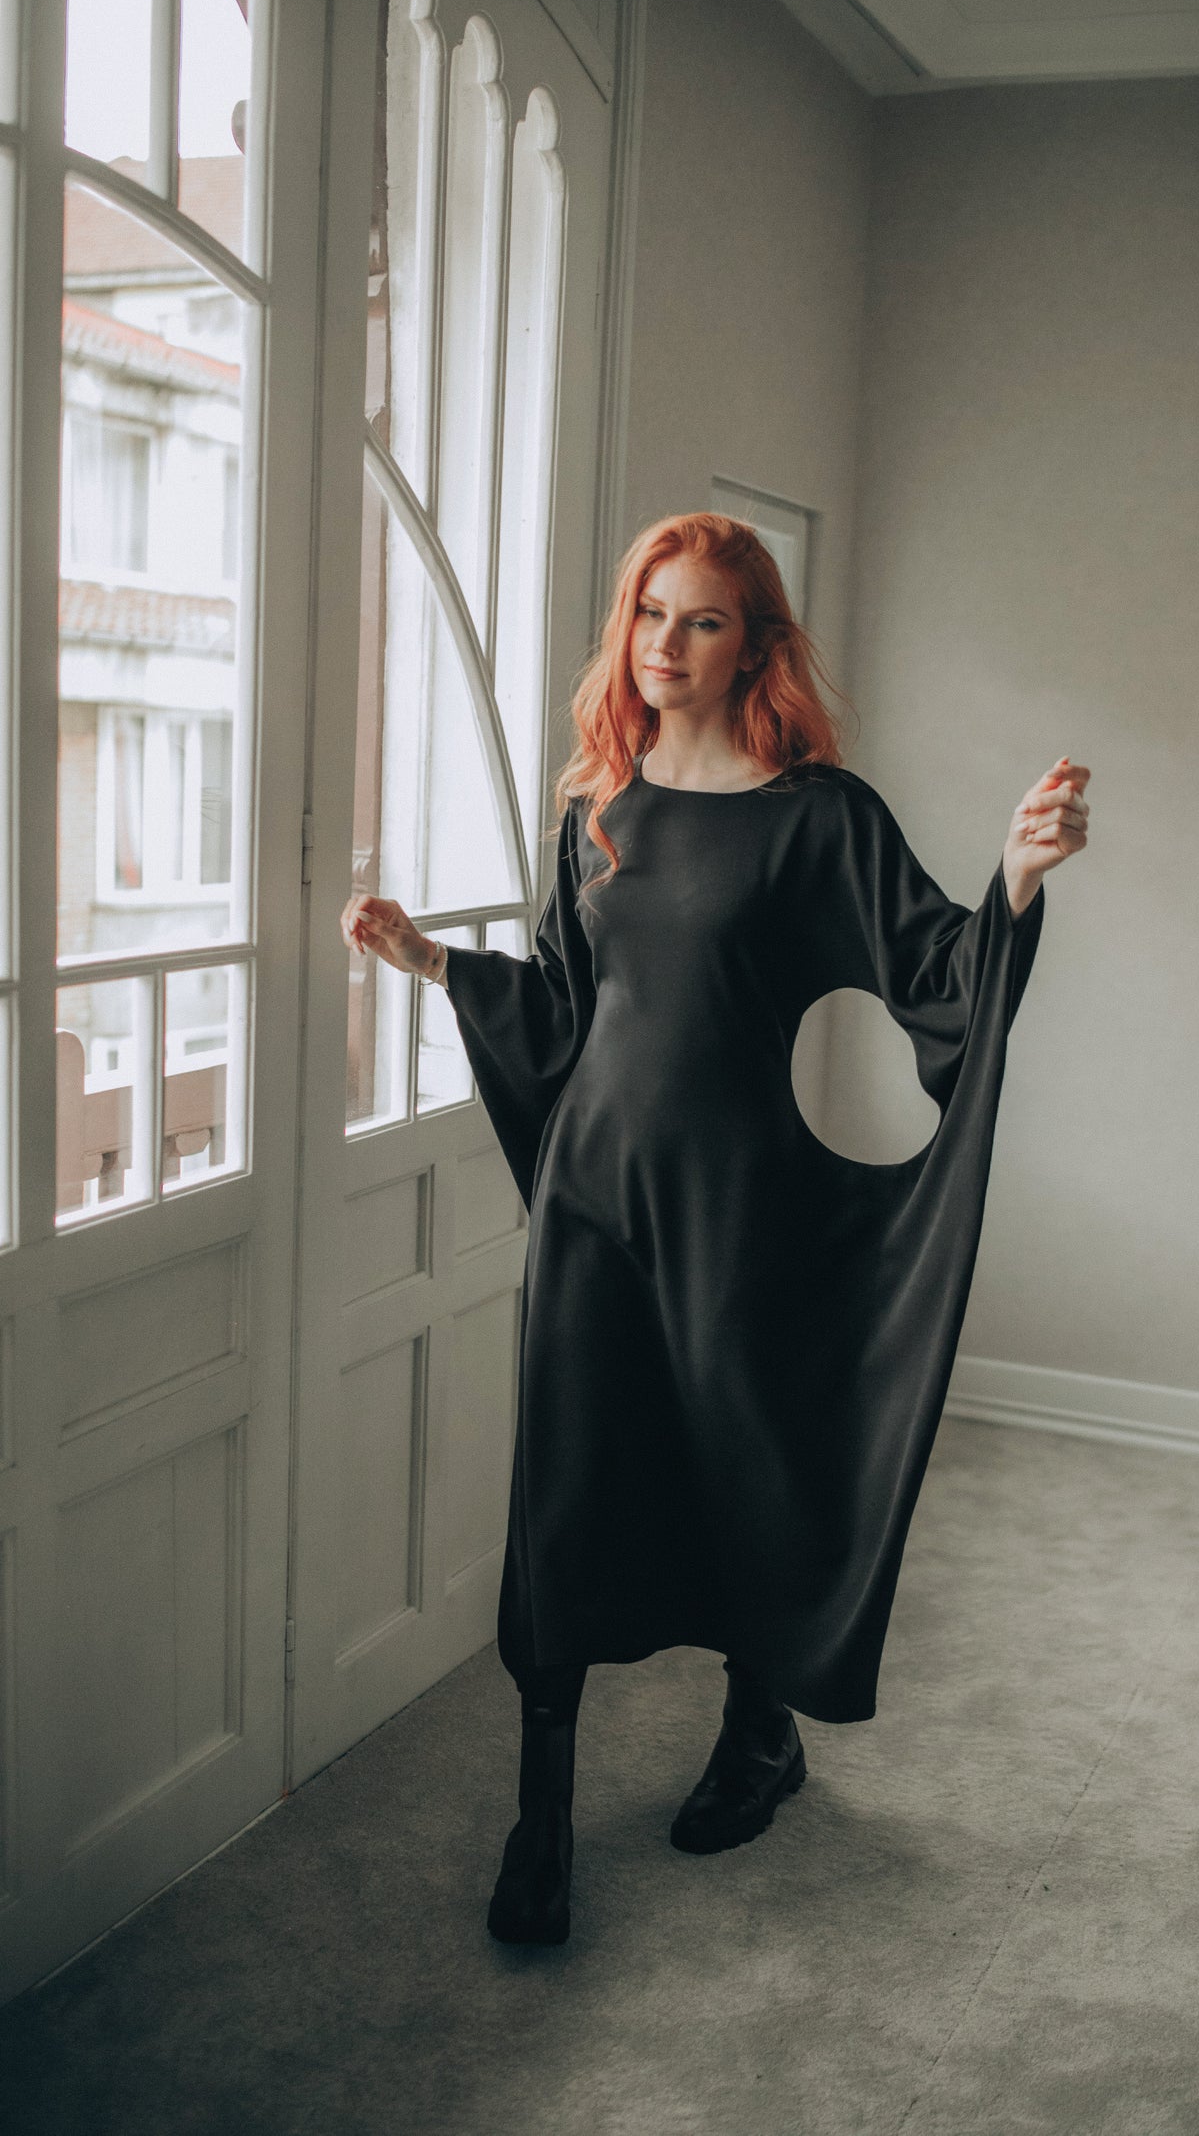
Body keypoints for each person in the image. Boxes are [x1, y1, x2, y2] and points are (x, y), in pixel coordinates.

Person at [341, 512, 1089, 1947]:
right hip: (591, 1209)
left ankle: (759, 1739)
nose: (666, 645)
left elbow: (941, 974)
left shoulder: (820, 816)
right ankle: (540, 1817)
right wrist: (433, 962)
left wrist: (1015, 875)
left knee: (745, 1464)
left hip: (742, 1209)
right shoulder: (594, 810)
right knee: (563, 1499)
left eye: (702, 621)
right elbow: (568, 1013)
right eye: (649, 615)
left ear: (756, 645)